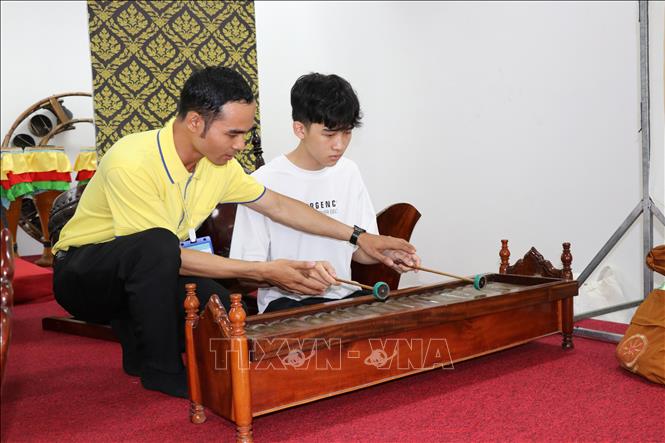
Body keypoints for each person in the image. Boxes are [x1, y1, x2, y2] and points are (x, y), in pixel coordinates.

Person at [52, 66, 418, 399]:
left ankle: (137, 345)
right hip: (82, 276)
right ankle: (162, 370)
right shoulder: (132, 159)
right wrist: (262, 272)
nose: (241, 145)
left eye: (246, 133)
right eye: (233, 134)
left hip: (138, 273)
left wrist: (359, 237)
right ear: (195, 122)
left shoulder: (218, 165)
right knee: (158, 245)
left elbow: (279, 205)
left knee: (219, 306)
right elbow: (163, 255)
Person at [230, 73, 419, 313]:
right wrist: (292, 276)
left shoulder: (349, 172)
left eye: (347, 132)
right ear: (300, 129)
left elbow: (359, 249)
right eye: (329, 134)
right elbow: (247, 273)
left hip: (345, 300)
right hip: (287, 307)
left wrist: (385, 254)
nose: (339, 144)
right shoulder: (262, 182)